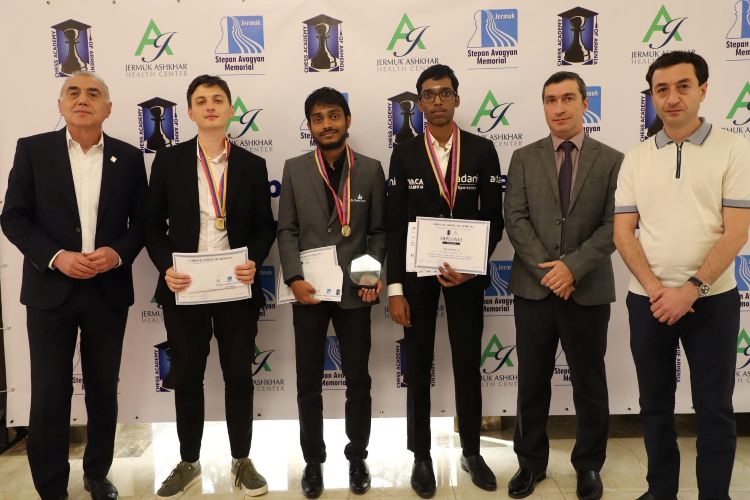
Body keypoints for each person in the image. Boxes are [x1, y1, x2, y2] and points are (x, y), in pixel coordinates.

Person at [0, 71, 147, 500]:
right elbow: (13, 217)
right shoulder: (33, 150)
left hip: (107, 289)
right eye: (73, 92)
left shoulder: (128, 157)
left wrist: (116, 254)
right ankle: (50, 486)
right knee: (50, 391)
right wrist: (56, 256)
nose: (83, 99)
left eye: (93, 93)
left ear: (108, 108)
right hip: (49, 289)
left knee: (102, 389)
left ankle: (97, 474)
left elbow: (143, 223)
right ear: (61, 105)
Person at [614, 51, 750, 500]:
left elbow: (736, 231)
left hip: (712, 301)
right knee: (654, 406)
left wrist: (691, 289)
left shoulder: (734, 148)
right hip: (648, 302)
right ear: (653, 96)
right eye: (661, 89)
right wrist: (657, 290)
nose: (672, 97)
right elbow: (623, 232)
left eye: (683, 86)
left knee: (714, 409)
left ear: (703, 90)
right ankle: (661, 491)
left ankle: (714, 494)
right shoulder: (636, 158)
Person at [143, 75, 275, 499]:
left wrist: (254, 259)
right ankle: (188, 461)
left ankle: (242, 460)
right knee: (186, 376)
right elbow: (150, 224)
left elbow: (265, 226)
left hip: (235, 288)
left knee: (238, 375)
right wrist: (166, 265)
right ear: (190, 112)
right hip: (185, 287)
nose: (210, 106)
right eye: (201, 101)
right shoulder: (169, 161)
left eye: (218, 99)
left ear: (231, 109)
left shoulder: (252, 165)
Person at [504, 71, 623, 500]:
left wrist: (571, 269)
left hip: (587, 289)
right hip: (534, 290)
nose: (559, 108)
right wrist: (550, 273)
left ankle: (589, 465)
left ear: (585, 103)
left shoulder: (612, 159)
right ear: (544, 106)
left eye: (568, 98)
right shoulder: (523, 157)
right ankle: (530, 463)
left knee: (589, 383)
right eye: (551, 100)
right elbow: (515, 219)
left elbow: (615, 225)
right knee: (532, 381)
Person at [385, 64, 503, 498]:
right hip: (417, 278)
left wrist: (474, 266)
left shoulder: (482, 150)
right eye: (429, 94)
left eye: (445, 92)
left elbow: (495, 220)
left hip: (466, 278)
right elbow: (395, 227)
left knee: (467, 363)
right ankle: (421, 456)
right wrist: (395, 289)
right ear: (419, 103)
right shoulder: (404, 153)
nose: (437, 100)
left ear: (457, 98)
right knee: (417, 367)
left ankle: (472, 450)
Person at [277, 87, 386, 498]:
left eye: (334, 116)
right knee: (308, 381)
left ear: (347, 120)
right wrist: (293, 277)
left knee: (358, 379)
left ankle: (357, 456)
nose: (327, 124)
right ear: (309, 125)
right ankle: (313, 461)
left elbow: (378, 232)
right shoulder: (294, 168)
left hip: (355, 292)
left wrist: (369, 276)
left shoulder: (370, 169)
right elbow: (287, 230)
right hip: (308, 290)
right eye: (318, 118)